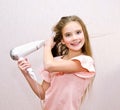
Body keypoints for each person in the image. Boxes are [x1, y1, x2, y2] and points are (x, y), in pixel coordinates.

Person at [17, 15, 96, 110]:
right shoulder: (55, 61)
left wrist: (47, 46)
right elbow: (42, 94)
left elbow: (49, 66)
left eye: (78, 32)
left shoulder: (85, 62)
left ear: (84, 34)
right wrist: (26, 74)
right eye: (68, 35)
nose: (74, 38)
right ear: (62, 40)